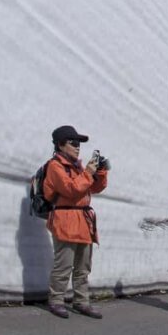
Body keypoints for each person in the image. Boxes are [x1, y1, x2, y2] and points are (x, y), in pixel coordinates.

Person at [44, 125, 109, 318]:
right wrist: (88, 173)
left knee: (83, 266)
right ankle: (56, 300)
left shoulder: (77, 166)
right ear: (61, 145)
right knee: (63, 264)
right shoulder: (55, 166)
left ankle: (82, 301)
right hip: (66, 219)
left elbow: (94, 188)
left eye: (79, 143)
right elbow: (71, 189)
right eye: (73, 142)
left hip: (82, 221)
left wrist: (101, 172)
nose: (78, 146)